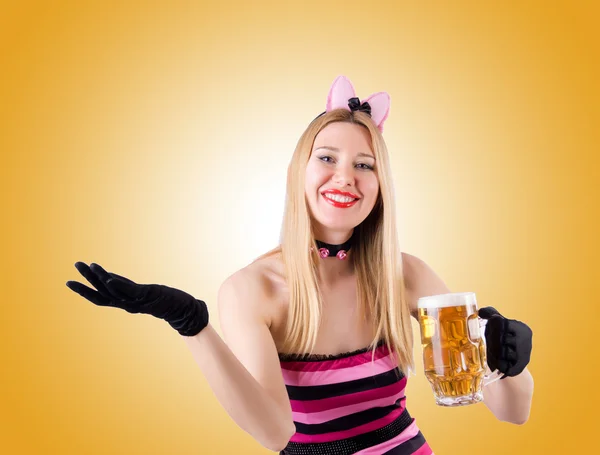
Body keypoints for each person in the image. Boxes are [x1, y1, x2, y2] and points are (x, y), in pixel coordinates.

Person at [66, 75, 534, 454]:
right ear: (300, 172)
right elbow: (274, 434)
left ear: (380, 187)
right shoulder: (253, 290)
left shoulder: (407, 275)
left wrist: (508, 362)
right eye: (327, 157)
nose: (345, 177)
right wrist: (191, 325)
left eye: (365, 165)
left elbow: (512, 412)